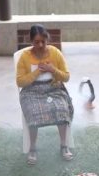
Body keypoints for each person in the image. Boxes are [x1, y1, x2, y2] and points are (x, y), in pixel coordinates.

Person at [16, 24, 74, 165]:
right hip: (31, 91)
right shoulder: (25, 57)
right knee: (33, 111)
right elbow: (20, 82)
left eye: (43, 41)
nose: (40, 45)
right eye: (37, 42)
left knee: (61, 108)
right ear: (31, 42)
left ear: (47, 40)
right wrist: (37, 72)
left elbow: (66, 77)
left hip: (54, 88)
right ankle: (33, 148)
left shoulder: (55, 53)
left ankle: (63, 145)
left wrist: (52, 69)